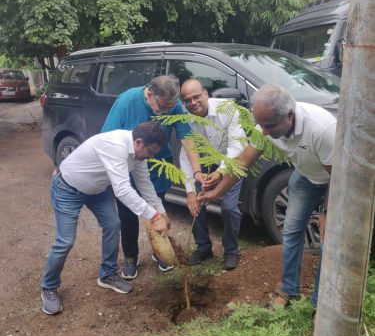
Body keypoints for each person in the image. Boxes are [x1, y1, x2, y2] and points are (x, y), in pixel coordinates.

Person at [199, 84, 336, 308]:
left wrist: (327, 213)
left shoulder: (321, 128)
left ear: (290, 115)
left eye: (270, 126)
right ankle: (288, 289)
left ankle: (318, 303)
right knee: (291, 231)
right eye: (261, 125)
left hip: (335, 178)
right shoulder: (266, 126)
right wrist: (217, 192)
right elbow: (244, 161)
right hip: (306, 176)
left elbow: (338, 176)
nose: (264, 132)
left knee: (328, 240)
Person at [40, 121, 169, 315]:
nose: (150, 157)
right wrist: (153, 216)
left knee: (113, 224)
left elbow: (145, 186)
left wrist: (161, 212)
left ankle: (107, 274)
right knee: (65, 241)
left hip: (98, 189)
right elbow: (123, 190)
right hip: (68, 187)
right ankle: (49, 286)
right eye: (150, 152)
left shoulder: (138, 156)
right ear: (139, 142)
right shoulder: (116, 146)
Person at [101, 75, 200, 279]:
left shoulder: (174, 105)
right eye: (163, 107)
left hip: (158, 168)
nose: (166, 112)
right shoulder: (127, 102)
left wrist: (197, 172)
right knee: (128, 214)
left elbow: (187, 139)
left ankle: (160, 252)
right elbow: (106, 138)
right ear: (149, 94)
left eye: (170, 108)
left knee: (157, 209)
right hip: (129, 167)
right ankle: (130, 257)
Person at [179, 79, 246, 270]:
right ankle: (203, 247)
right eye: (187, 100)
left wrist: (220, 172)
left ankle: (231, 251)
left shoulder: (228, 109)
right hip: (204, 166)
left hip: (231, 164)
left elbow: (237, 146)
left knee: (229, 208)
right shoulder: (185, 118)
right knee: (195, 203)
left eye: (196, 97)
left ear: (206, 94)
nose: (193, 103)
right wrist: (192, 186)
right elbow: (186, 154)